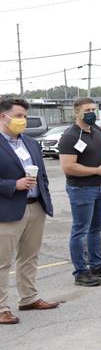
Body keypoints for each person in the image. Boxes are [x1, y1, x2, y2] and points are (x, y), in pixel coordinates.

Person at [0, 98, 58, 324]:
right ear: (3, 117)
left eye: (24, 116)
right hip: (7, 210)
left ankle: (29, 298)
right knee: (3, 262)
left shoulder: (31, 143)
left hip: (36, 208)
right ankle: (1, 307)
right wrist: (13, 185)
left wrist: (46, 201)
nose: (22, 120)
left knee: (29, 257)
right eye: (18, 116)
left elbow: (42, 176)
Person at [58, 98, 101, 286]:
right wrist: (96, 172)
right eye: (87, 109)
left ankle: (96, 264)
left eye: (94, 109)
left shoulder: (98, 131)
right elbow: (68, 167)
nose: (91, 112)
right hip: (81, 189)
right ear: (76, 113)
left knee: (95, 229)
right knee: (80, 230)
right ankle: (81, 272)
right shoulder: (70, 136)